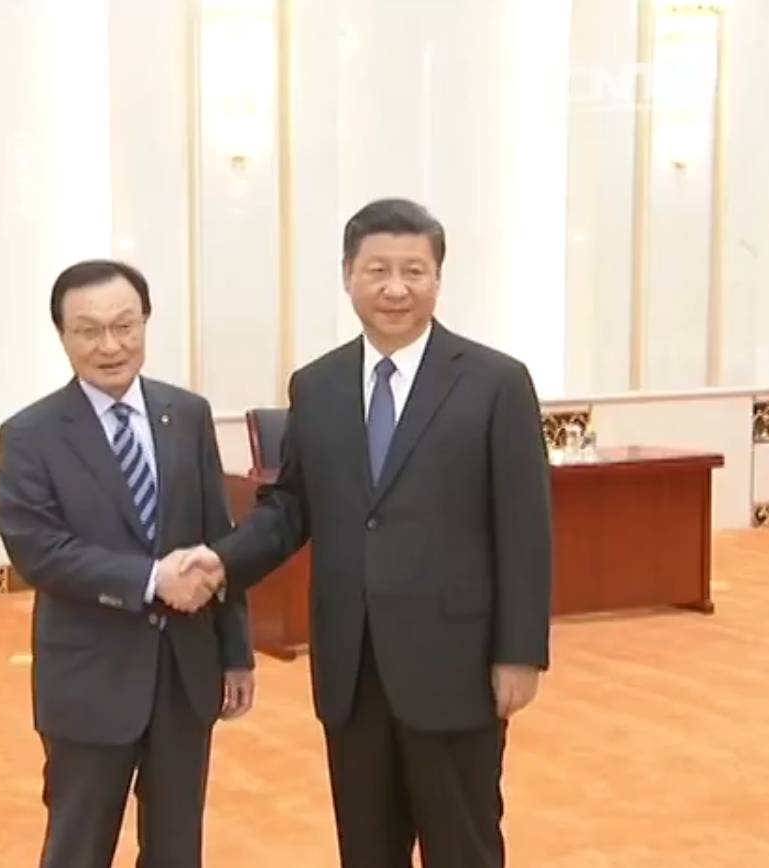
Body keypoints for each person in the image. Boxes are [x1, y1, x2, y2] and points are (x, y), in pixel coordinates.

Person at [181, 198, 552, 867]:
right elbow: (292, 507)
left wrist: (520, 652)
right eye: (377, 270)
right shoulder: (317, 386)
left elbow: (525, 529)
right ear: (347, 275)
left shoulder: (496, 383)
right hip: (352, 667)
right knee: (366, 850)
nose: (396, 288)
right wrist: (222, 561)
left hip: (456, 665)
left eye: (414, 270)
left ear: (438, 278)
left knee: (464, 847)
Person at [0, 259, 255, 868]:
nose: (109, 346)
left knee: (176, 848)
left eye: (124, 326)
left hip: (184, 673)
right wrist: (150, 579)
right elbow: (38, 550)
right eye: (88, 330)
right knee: (79, 848)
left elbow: (218, 538)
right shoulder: (30, 434)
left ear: (145, 324)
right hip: (90, 679)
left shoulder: (187, 414)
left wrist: (235, 652)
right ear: (62, 336)